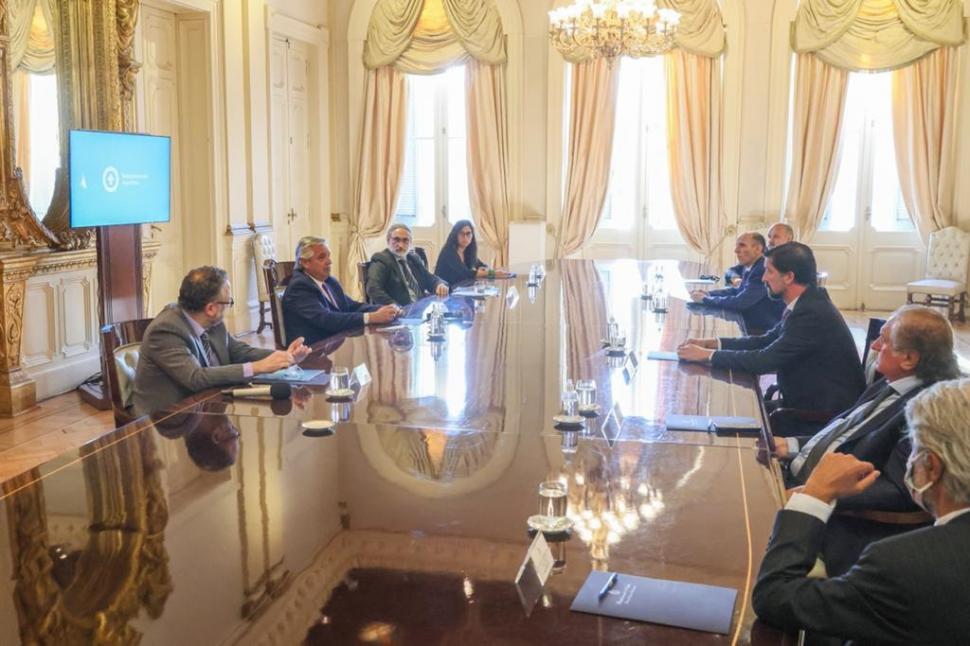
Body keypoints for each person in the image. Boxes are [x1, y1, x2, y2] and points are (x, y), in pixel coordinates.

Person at [752, 379, 970, 644]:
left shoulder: (900, 564)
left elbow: (775, 598)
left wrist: (813, 496)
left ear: (932, 467)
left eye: (913, 448)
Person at [773, 305, 960, 573]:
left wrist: (818, 493)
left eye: (883, 340)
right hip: (793, 477)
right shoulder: (892, 382)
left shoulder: (926, 410)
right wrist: (789, 445)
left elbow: (900, 489)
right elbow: (846, 433)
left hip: (832, 518)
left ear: (908, 359)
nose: (873, 345)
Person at [678, 243, 865, 427]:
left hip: (822, 417)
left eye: (769, 271)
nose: (763, 278)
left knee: (733, 419)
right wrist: (713, 343)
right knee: (731, 414)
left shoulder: (811, 313)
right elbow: (766, 341)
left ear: (789, 277)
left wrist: (707, 356)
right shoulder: (808, 302)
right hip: (804, 404)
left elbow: (764, 360)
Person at [133, 266, 309, 416]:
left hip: (207, 406)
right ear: (211, 308)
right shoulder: (166, 330)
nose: (228, 306)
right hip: (167, 419)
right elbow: (195, 377)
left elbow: (237, 351)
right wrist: (257, 367)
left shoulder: (211, 321)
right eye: (228, 302)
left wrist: (284, 357)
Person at [283, 236, 399, 345]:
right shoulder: (299, 287)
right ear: (305, 262)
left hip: (335, 341)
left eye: (328, 256)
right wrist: (372, 317)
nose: (329, 261)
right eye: (321, 257)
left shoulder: (329, 281)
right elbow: (327, 319)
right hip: (313, 350)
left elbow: (351, 306)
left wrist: (384, 310)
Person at [690, 232, 785, 334]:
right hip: (748, 322)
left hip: (761, 330)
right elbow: (738, 290)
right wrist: (709, 294)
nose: (736, 250)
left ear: (757, 249)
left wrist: (705, 299)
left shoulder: (762, 270)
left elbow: (740, 302)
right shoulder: (750, 265)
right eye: (736, 246)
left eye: (742, 245)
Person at [367, 223, 449, 306]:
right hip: (401, 311)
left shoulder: (413, 258)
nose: (401, 245)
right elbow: (373, 289)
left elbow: (429, 278)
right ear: (388, 241)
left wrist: (440, 284)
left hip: (421, 307)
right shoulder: (381, 259)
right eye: (396, 239)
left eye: (405, 240)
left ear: (410, 243)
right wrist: (395, 307)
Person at [434, 220, 511, 286]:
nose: (465, 237)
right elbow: (466, 274)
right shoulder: (449, 252)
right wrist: (492, 273)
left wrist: (485, 269)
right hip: (445, 292)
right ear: (455, 235)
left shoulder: (467, 250)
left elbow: (482, 265)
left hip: (461, 288)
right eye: (461, 234)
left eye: (468, 234)